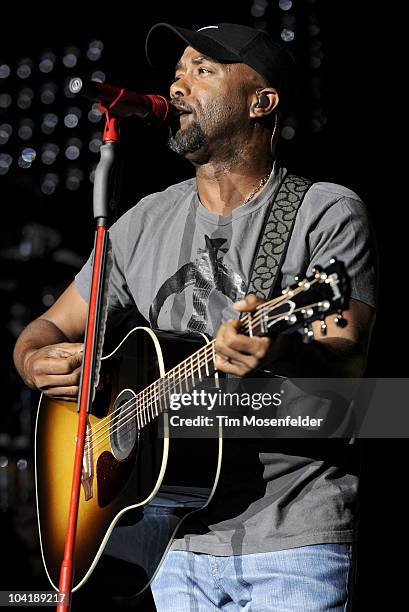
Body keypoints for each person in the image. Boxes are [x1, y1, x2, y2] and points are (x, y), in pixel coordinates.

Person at [14, 22, 377, 611]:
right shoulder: (139, 222)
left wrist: (282, 349)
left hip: (291, 538)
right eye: (177, 71)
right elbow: (46, 329)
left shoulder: (325, 211)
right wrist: (34, 361)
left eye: (203, 70)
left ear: (262, 101)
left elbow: (353, 372)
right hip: (170, 536)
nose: (179, 85)